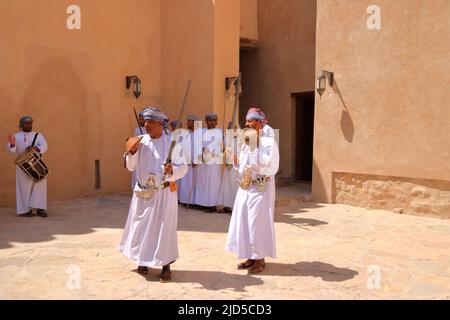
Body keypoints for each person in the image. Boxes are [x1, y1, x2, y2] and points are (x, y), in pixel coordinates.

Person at [119, 107, 188, 282]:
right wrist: (131, 153)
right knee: (140, 228)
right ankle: (142, 261)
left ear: (160, 123)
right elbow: (130, 166)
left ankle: (166, 265)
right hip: (143, 193)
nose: (146, 124)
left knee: (163, 230)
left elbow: (183, 168)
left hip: (163, 193)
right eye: (145, 121)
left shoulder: (172, 144)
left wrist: (172, 170)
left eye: (150, 122)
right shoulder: (139, 141)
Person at [226, 107, 279, 274]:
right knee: (245, 222)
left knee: (257, 223)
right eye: (247, 121)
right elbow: (243, 166)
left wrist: (255, 148)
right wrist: (234, 160)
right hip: (246, 187)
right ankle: (250, 256)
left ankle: (260, 258)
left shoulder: (269, 143)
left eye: (250, 121)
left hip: (261, 187)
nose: (247, 124)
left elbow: (270, 166)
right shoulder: (245, 144)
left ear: (260, 123)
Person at [6, 116, 49, 218]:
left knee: (41, 183)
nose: (29, 125)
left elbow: (45, 146)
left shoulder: (38, 135)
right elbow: (11, 150)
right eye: (26, 123)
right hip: (22, 165)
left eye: (30, 123)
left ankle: (40, 208)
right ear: (21, 125)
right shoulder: (15, 136)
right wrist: (11, 143)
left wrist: (36, 148)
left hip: (37, 163)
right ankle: (25, 210)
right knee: (23, 187)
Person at [194, 113, 223, 213]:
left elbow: (217, 145)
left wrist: (207, 152)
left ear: (216, 121)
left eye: (213, 120)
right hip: (202, 160)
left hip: (213, 161)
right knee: (202, 182)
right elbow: (198, 144)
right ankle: (201, 203)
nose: (211, 122)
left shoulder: (219, 132)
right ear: (206, 121)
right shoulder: (201, 131)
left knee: (212, 183)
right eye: (209, 120)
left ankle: (212, 205)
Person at [217, 122, 240, 214]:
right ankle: (227, 205)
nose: (234, 129)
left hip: (237, 166)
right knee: (227, 186)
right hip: (228, 167)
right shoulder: (226, 138)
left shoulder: (241, 138)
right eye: (231, 128)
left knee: (236, 186)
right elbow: (223, 150)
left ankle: (235, 207)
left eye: (235, 127)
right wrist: (226, 158)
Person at [178, 114, 200, 207]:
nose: (187, 123)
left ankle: (193, 202)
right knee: (186, 182)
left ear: (194, 123)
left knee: (194, 182)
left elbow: (200, 148)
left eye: (189, 121)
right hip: (187, 162)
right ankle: (185, 200)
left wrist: (196, 160)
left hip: (195, 164)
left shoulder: (199, 134)